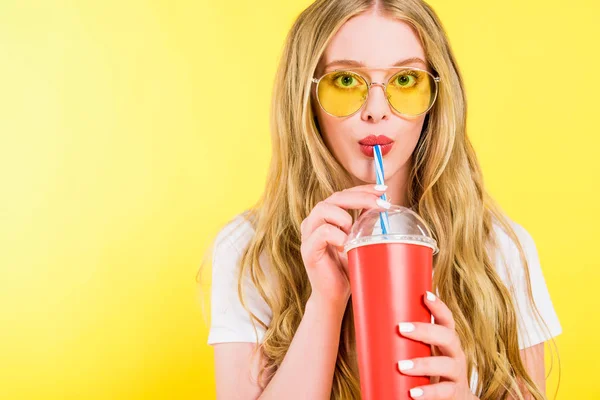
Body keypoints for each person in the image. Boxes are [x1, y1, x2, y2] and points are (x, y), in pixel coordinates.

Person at [201, 0, 562, 398]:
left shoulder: (499, 249)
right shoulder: (249, 251)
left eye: (405, 80)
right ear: (305, 98)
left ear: (437, 96)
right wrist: (326, 302)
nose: (376, 110)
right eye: (345, 81)